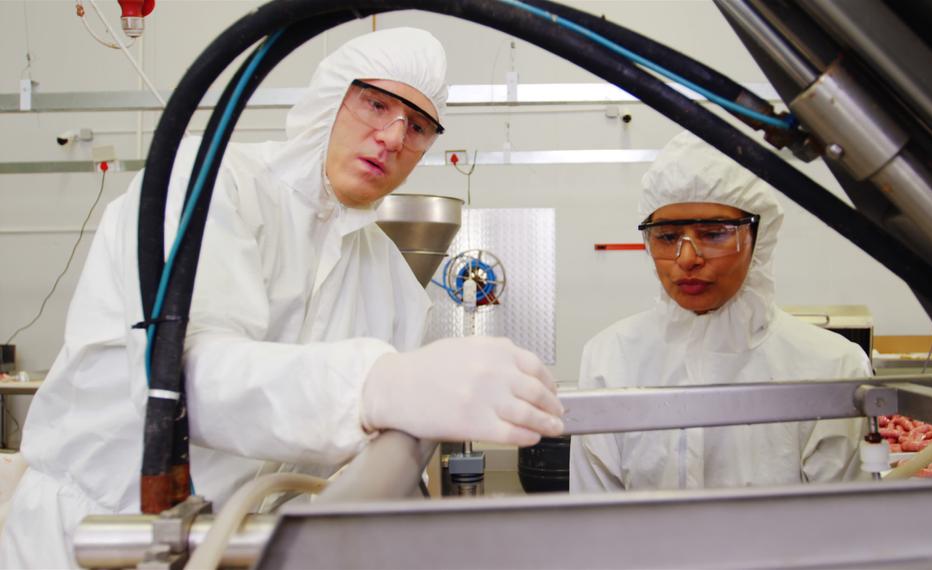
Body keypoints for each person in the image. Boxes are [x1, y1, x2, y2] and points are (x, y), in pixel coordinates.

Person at [0, 28, 563, 568]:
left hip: (237, 546)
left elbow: (356, 474)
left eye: (417, 127)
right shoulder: (209, 181)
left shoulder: (390, 278)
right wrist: (377, 385)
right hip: (89, 538)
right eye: (375, 105)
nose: (393, 137)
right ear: (328, 98)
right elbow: (185, 377)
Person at [570, 131, 870, 492]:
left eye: (714, 234)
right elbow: (597, 524)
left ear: (760, 238)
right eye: (667, 237)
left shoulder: (831, 367)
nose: (687, 259)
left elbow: (841, 527)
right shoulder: (609, 359)